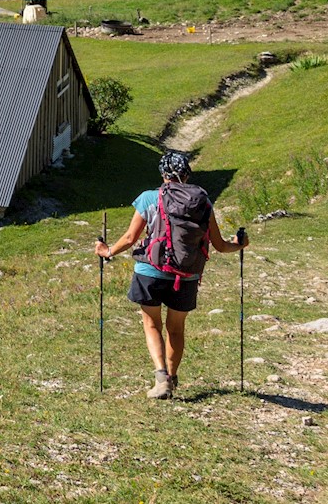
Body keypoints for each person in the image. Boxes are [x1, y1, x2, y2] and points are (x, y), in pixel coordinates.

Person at [95, 150, 248, 398]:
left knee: (152, 323)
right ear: (187, 174)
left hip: (150, 272)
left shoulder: (148, 198)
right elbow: (220, 245)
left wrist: (107, 251)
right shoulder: (203, 202)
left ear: (163, 174)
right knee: (176, 329)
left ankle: (160, 378)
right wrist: (240, 244)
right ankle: (173, 379)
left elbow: (130, 238)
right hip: (187, 274)